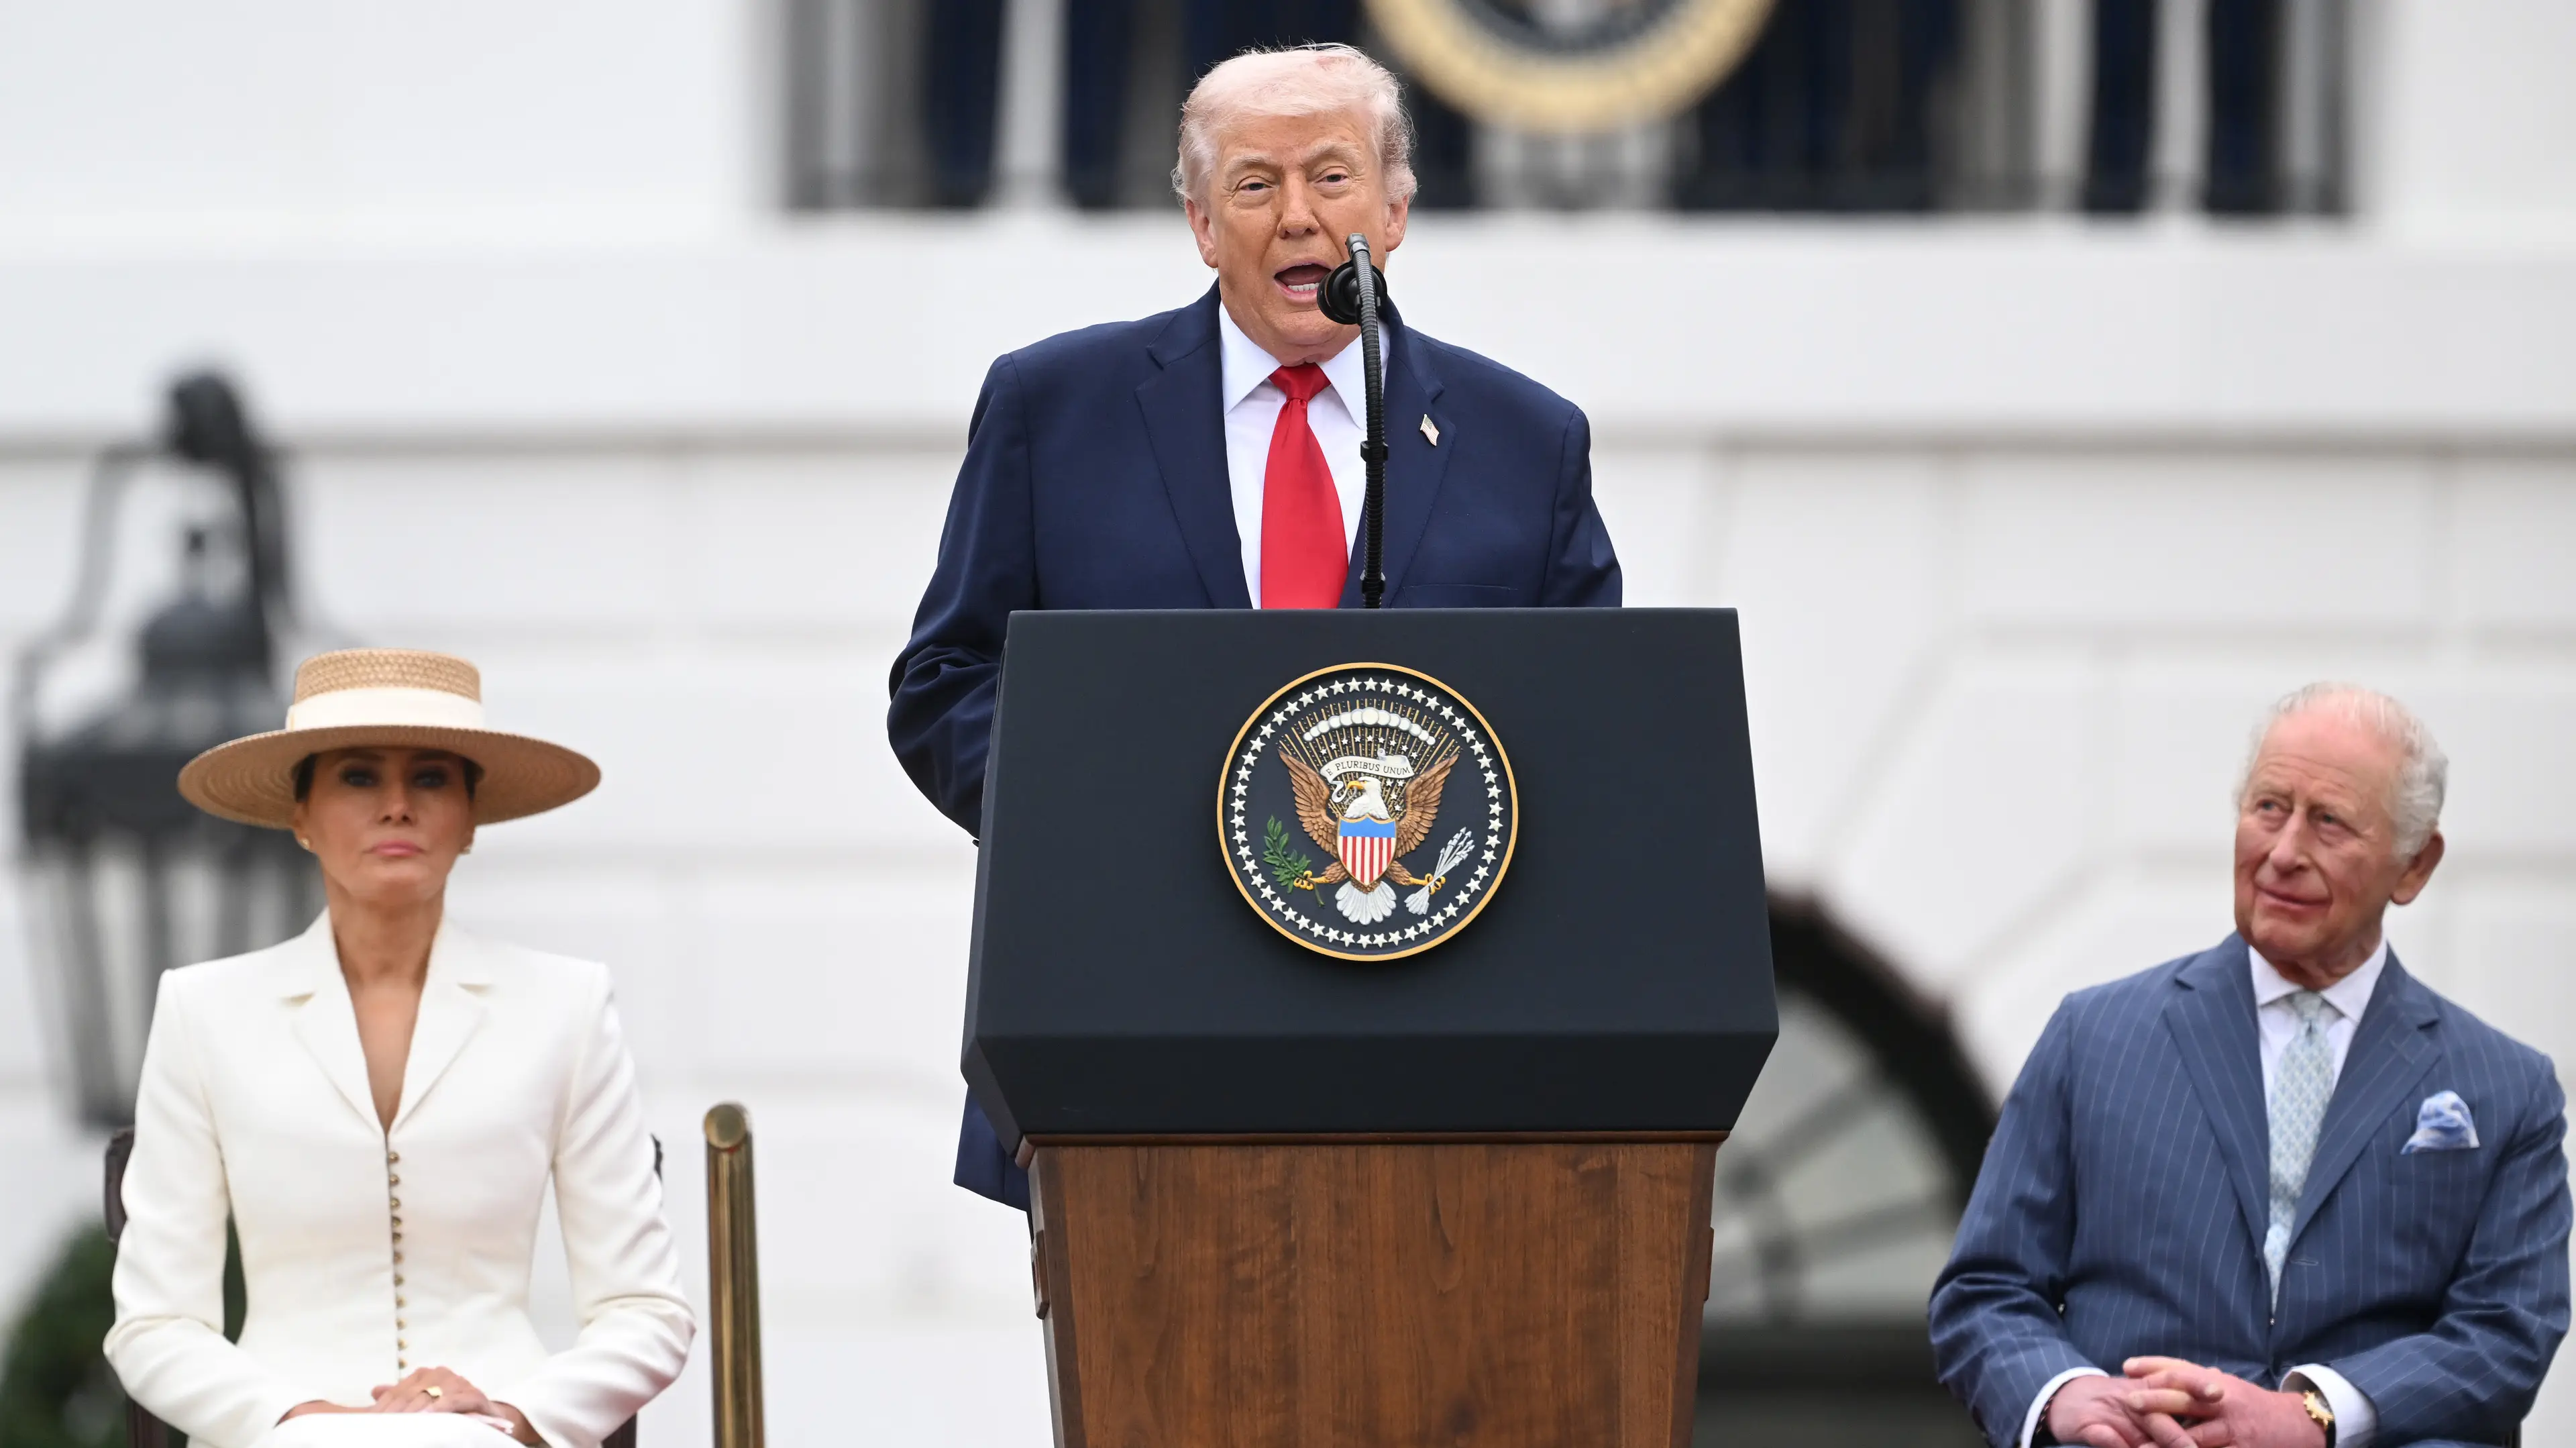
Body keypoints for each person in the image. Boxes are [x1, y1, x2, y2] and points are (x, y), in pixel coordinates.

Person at [888, 44, 1621, 1209]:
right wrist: (1103, 822)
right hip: (1127, 1050)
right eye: (1254, 184)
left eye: (1331, 179)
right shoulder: (1054, 411)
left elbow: (1596, 731)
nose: (1297, 219)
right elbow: (945, 685)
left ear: (1396, 207)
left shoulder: (1524, 442)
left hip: (1444, 1071)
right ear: (1199, 221)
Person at [1930, 684, 2570, 1448]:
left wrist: (2313, 1415)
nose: (2285, 851)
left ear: (2414, 865)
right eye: (2270, 807)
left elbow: (2507, 1333)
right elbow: (1985, 1290)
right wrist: (2063, 1395)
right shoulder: (2092, 1037)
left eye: (2329, 822)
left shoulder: (2507, 1089)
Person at [107, 650, 694, 1448]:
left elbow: (648, 1310)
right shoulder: (202, 1011)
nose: (396, 806)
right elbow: (156, 1322)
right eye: (357, 776)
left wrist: (516, 1414)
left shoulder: (568, 1005)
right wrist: (299, 1418)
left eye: (429, 777)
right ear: (301, 815)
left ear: (470, 816)